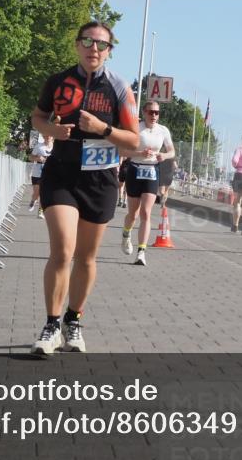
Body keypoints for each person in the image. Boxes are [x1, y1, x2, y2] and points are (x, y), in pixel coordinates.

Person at [29, 22, 139, 355]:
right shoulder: (58, 81)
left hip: (100, 179)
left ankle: (73, 320)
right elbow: (37, 117)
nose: (94, 49)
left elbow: (133, 142)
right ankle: (50, 326)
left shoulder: (120, 88)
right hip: (61, 173)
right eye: (87, 42)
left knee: (86, 258)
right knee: (63, 250)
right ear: (77, 45)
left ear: (110, 51)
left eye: (101, 44)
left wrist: (103, 128)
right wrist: (52, 130)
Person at [119, 100, 175, 265]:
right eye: (150, 112)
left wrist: (163, 156)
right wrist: (139, 153)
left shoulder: (163, 130)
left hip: (152, 171)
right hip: (135, 169)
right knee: (133, 214)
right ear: (143, 113)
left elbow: (171, 151)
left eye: (157, 113)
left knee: (146, 212)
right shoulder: (135, 128)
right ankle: (126, 234)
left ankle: (141, 252)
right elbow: (121, 150)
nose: (154, 116)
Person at [27, 134, 53, 218]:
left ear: (52, 137)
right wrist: (38, 158)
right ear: (44, 136)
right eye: (46, 135)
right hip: (37, 172)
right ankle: (33, 200)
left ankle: (40, 211)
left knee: (43, 193)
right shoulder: (39, 146)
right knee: (37, 193)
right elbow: (30, 157)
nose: (48, 137)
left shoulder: (56, 147)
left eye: (50, 135)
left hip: (49, 172)